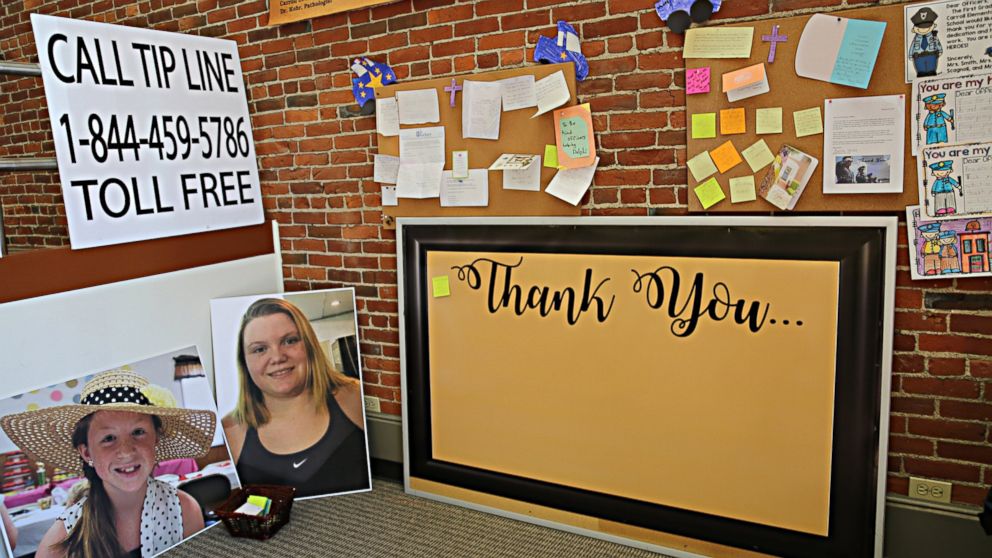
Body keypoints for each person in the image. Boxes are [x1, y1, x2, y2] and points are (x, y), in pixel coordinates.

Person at [0, 370, 215, 558]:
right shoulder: (63, 540)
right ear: (86, 452)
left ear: (155, 439)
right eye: (108, 438)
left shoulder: (184, 511)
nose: (126, 450)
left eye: (138, 432)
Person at [223, 298, 369, 498]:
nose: (277, 357)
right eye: (260, 349)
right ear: (244, 362)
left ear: (309, 346)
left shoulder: (355, 396)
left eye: (289, 341)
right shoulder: (230, 431)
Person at [908, 7, 942, 78]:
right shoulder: (916, 38)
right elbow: (912, 46)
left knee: (931, 69)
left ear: (933, 26)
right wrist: (911, 55)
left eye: (926, 26)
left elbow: (937, 42)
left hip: (931, 56)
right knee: (921, 71)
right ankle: (921, 73)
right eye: (921, 27)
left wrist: (940, 50)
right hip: (918, 57)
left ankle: (931, 72)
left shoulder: (933, 36)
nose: (923, 29)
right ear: (914, 29)